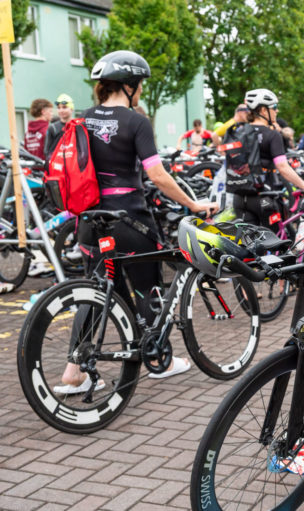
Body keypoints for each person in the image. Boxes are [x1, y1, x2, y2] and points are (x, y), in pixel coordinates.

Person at [56, 51, 220, 394]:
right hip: (128, 219)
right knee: (147, 285)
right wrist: (193, 204)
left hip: (90, 220)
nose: (142, 90)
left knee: (95, 291)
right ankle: (159, 359)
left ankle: (73, 371)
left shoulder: (83, 119)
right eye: (140, 84)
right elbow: (157, 175)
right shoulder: (136, 122)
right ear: (129, 85)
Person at [228, 88, 304, 227]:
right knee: (275, 238)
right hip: (264, 198)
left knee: (247, 239)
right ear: (263, 110)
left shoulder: (239, 132)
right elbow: (283, 167)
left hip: (240, 198)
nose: (277, 111)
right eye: (274, 107)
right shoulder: (272, 135)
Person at [44, 94, 75, 158]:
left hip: (74, 162)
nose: (61, 110)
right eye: (59, 108)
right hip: (58, 162)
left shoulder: (78, 126)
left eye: (64, 107)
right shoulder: (53, 128)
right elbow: (47, 151)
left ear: (71, 109)